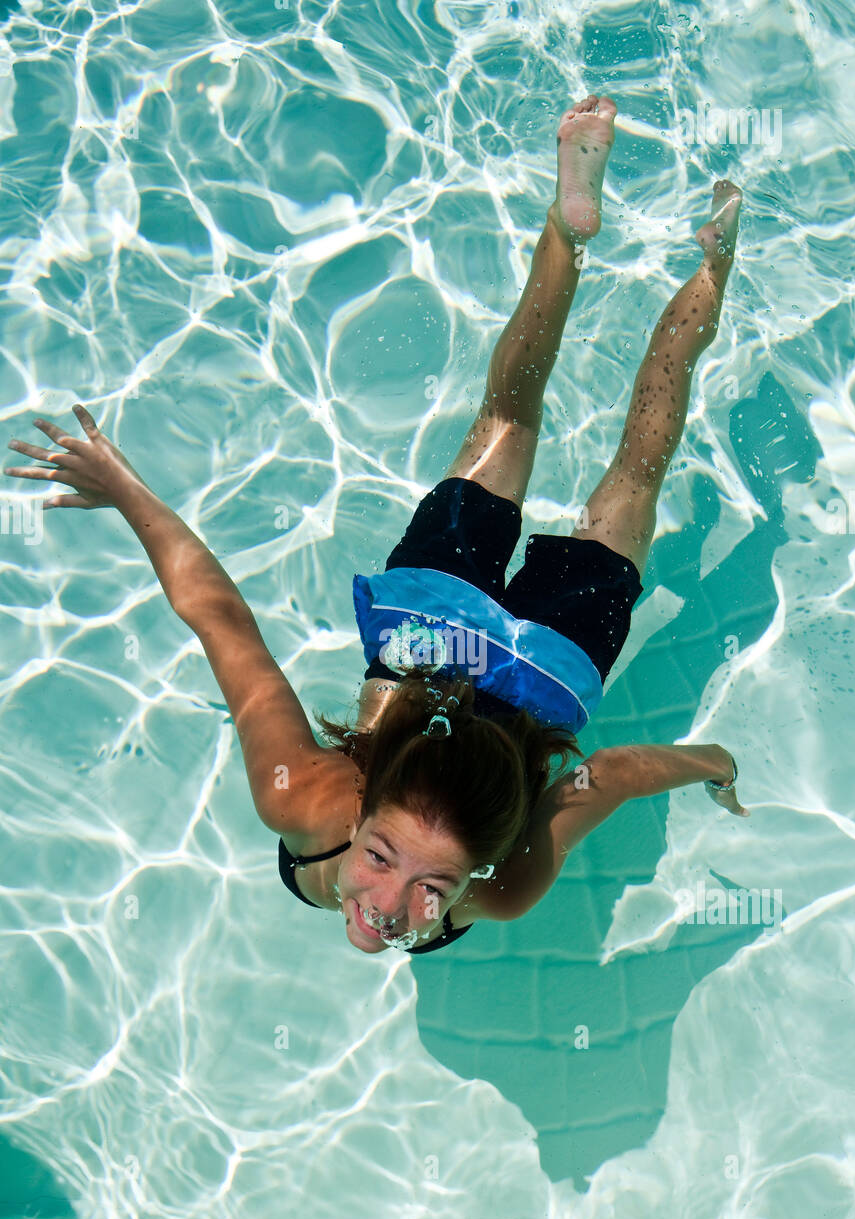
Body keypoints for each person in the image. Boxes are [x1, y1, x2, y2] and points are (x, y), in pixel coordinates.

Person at [5, 94, 748, 959]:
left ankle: (678, 257)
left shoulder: (502, 886)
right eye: (410, 874)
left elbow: (610, 775)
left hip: (544, 661)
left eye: (410, 874)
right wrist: (125, 489)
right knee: (521, 421)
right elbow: (219, 619)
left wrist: (716, 762)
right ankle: (588, 233)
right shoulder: (304, 799)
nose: (388, 906)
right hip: (428, 631)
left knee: (592, 452)